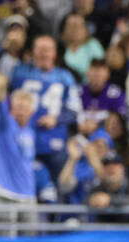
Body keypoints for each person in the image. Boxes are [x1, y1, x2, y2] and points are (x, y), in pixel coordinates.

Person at [11, 34, 82, 179]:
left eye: (48, 49)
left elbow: (75, 110)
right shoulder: (19, 72)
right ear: (33, 51)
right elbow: (7, 101)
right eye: (40, 49)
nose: (44, 53)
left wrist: (56, 119)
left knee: (56, 185)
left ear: (54, 53)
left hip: (54, 138)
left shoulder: (65, 77)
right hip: (23, 136)